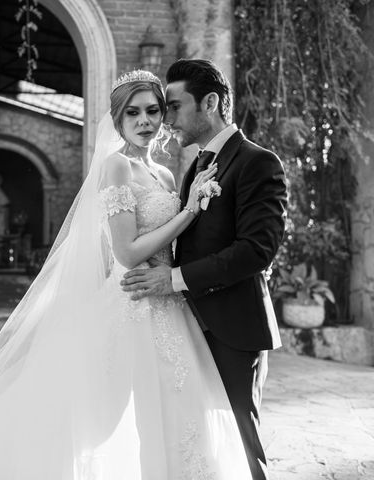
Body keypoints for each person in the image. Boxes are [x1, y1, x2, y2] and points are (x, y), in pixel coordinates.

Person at [0, 70, 252, 480]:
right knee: (92, 421)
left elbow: (172, 246)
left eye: (153, 111)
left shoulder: (168, 174)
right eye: (132, 113)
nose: (144, 121)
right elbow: (125, 252)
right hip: (132, 305)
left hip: (169, 304)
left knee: (178, 411)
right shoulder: (115, 167)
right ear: (117, 121)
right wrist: (191, 209)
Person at [121, 59, 288, 480]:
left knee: (240, 441)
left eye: (174, 107)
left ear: (210, 103)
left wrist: (172, 279)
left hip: (232, 327)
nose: (166, 119)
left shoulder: (257, 162)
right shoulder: (195, 167)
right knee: (204, 444)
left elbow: (257, 250)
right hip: (186, 326)